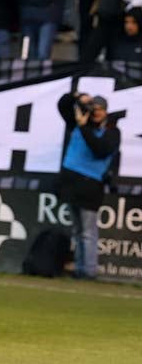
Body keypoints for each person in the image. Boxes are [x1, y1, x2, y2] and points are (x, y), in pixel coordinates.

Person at [57, 92, 120, 279]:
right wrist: (76, 97)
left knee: (87, 231)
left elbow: (100, 150)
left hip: (91, 186)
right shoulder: (79, 123)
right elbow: (63, 105)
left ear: (106, 111)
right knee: (77, 231)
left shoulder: (112, 132)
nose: (96, 112)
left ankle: (89, 271)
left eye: (100, 109)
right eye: (94, 108)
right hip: (72, 183)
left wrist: (84, 128)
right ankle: (79, 269)